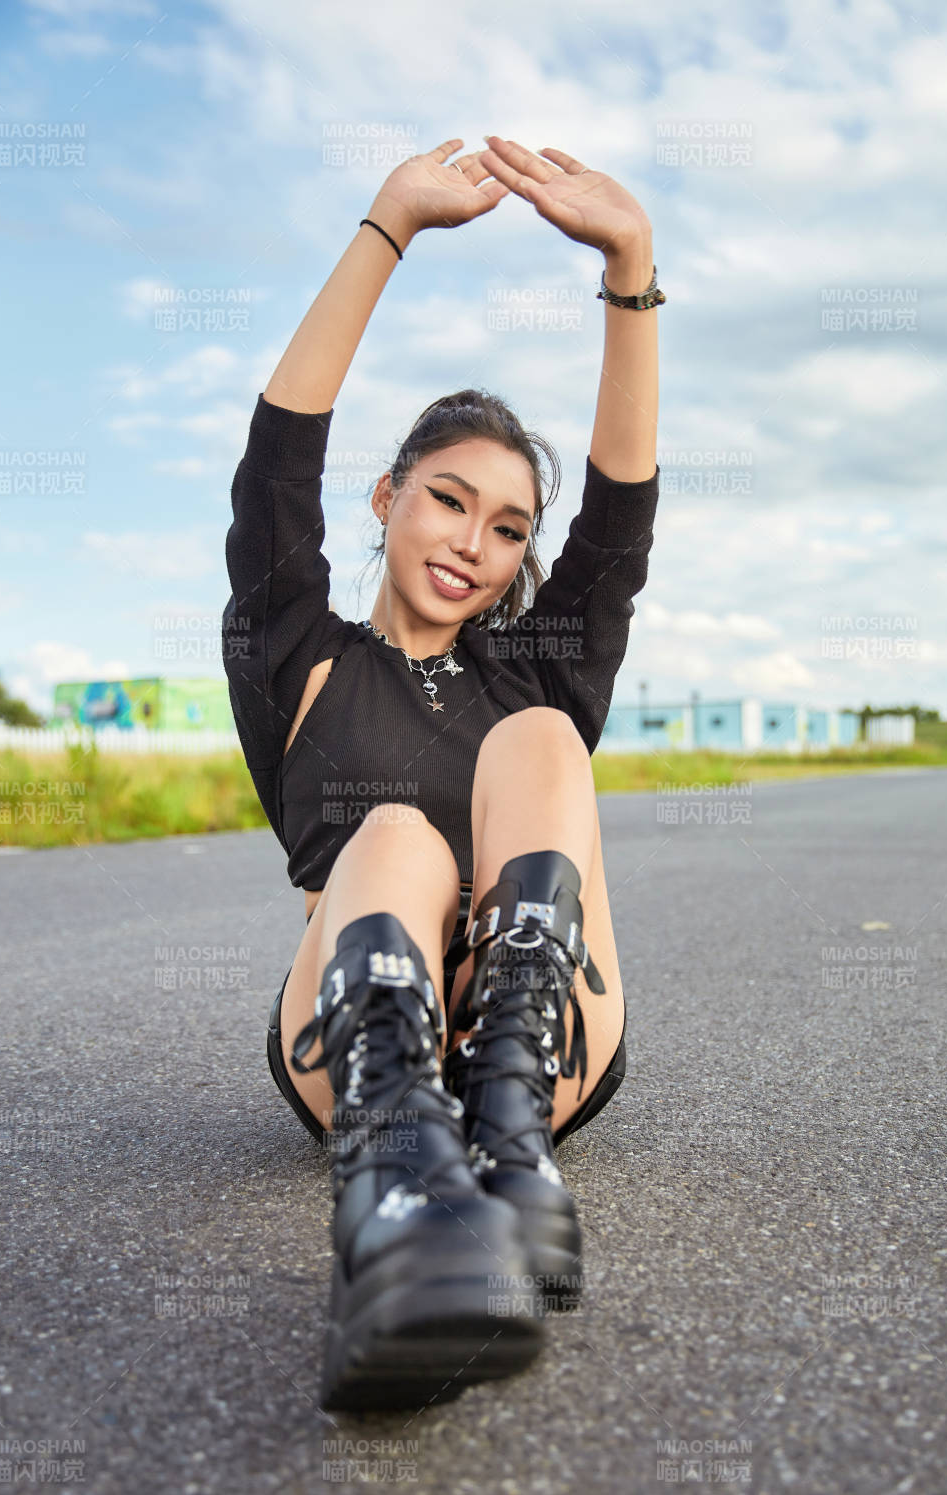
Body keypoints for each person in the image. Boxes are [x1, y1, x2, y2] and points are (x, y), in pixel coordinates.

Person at [222, 135, 661, 1411]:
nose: (474, 543)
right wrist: (388, 226)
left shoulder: (536, 672)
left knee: (539, 747)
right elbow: (271, 472)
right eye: (447, 500)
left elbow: (620, 524)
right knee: (402, 839)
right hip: (359, 1045)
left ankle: (507, 1149)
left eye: (508, 524)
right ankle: (398, 1181)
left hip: (539, 1034)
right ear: (385, 498)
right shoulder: (300, 655)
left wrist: (629, 269)